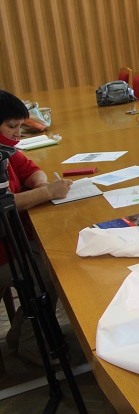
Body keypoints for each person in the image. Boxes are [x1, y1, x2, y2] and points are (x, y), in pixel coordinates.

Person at [0, 89, 71, 365]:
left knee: (48, 259)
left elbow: (30, 169)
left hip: (13, 239)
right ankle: (33, 346)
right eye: (12, 126)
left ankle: (20, 337)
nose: (18, 134)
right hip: (4, 249)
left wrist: (42, 185)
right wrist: (47, 193)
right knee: (49, 271)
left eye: (21, 126)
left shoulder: (5, 149)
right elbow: (4, 203)